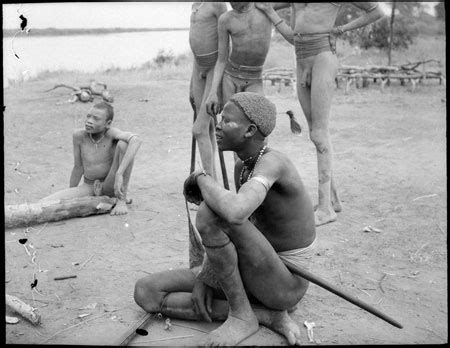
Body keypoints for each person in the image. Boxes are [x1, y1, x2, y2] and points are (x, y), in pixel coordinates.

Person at [134, 92, 316, 346]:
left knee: (211, 211)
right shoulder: (244, 166)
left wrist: (201, 178)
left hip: (284, 283)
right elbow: (243, 227)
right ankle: (263, 316)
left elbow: (235, 212)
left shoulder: (273, 163)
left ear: (250, 130)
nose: (217, 125)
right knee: (146, 292)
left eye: (226, 121)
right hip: (255, 267)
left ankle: (241, 315)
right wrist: (207, 278)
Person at [255, 2, 384, 226]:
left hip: (323, 57)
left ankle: (325, 210)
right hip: (301, 58)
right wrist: (269, 11)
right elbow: (292, 36)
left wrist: (343, 28)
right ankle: (333, 200)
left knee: (319, 134)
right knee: (316, 134)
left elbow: (377, 11)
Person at [40, 101, 141, 215]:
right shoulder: (79, 136)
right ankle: (109, 201)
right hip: (89, 186)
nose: (89, 121)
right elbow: (78, 167)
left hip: (109, 185)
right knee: (46, 203)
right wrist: (71, 193)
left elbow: (136, 140)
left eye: (96, 119)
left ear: (107, 124)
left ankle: (121, 200)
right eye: (88, 116)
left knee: (124, 144)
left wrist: (119, 174)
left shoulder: (111, 133)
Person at [205, 2, 273, 117]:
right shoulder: (225, 19)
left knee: (259, 123)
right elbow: (221, 60)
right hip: (230, 78)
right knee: (230, 122)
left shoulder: (265, 7)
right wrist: (213, 92)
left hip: (254, 79)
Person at [189, 1, 228, 178]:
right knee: (207, 129)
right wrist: (192, 82)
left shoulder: (218, 4)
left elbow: (226, 46)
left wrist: (216, 88)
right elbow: (197, 45)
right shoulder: (195, 4)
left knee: (198, 129)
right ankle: (213, 181)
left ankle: (210, 184)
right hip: (199, 68)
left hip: (215, 68)